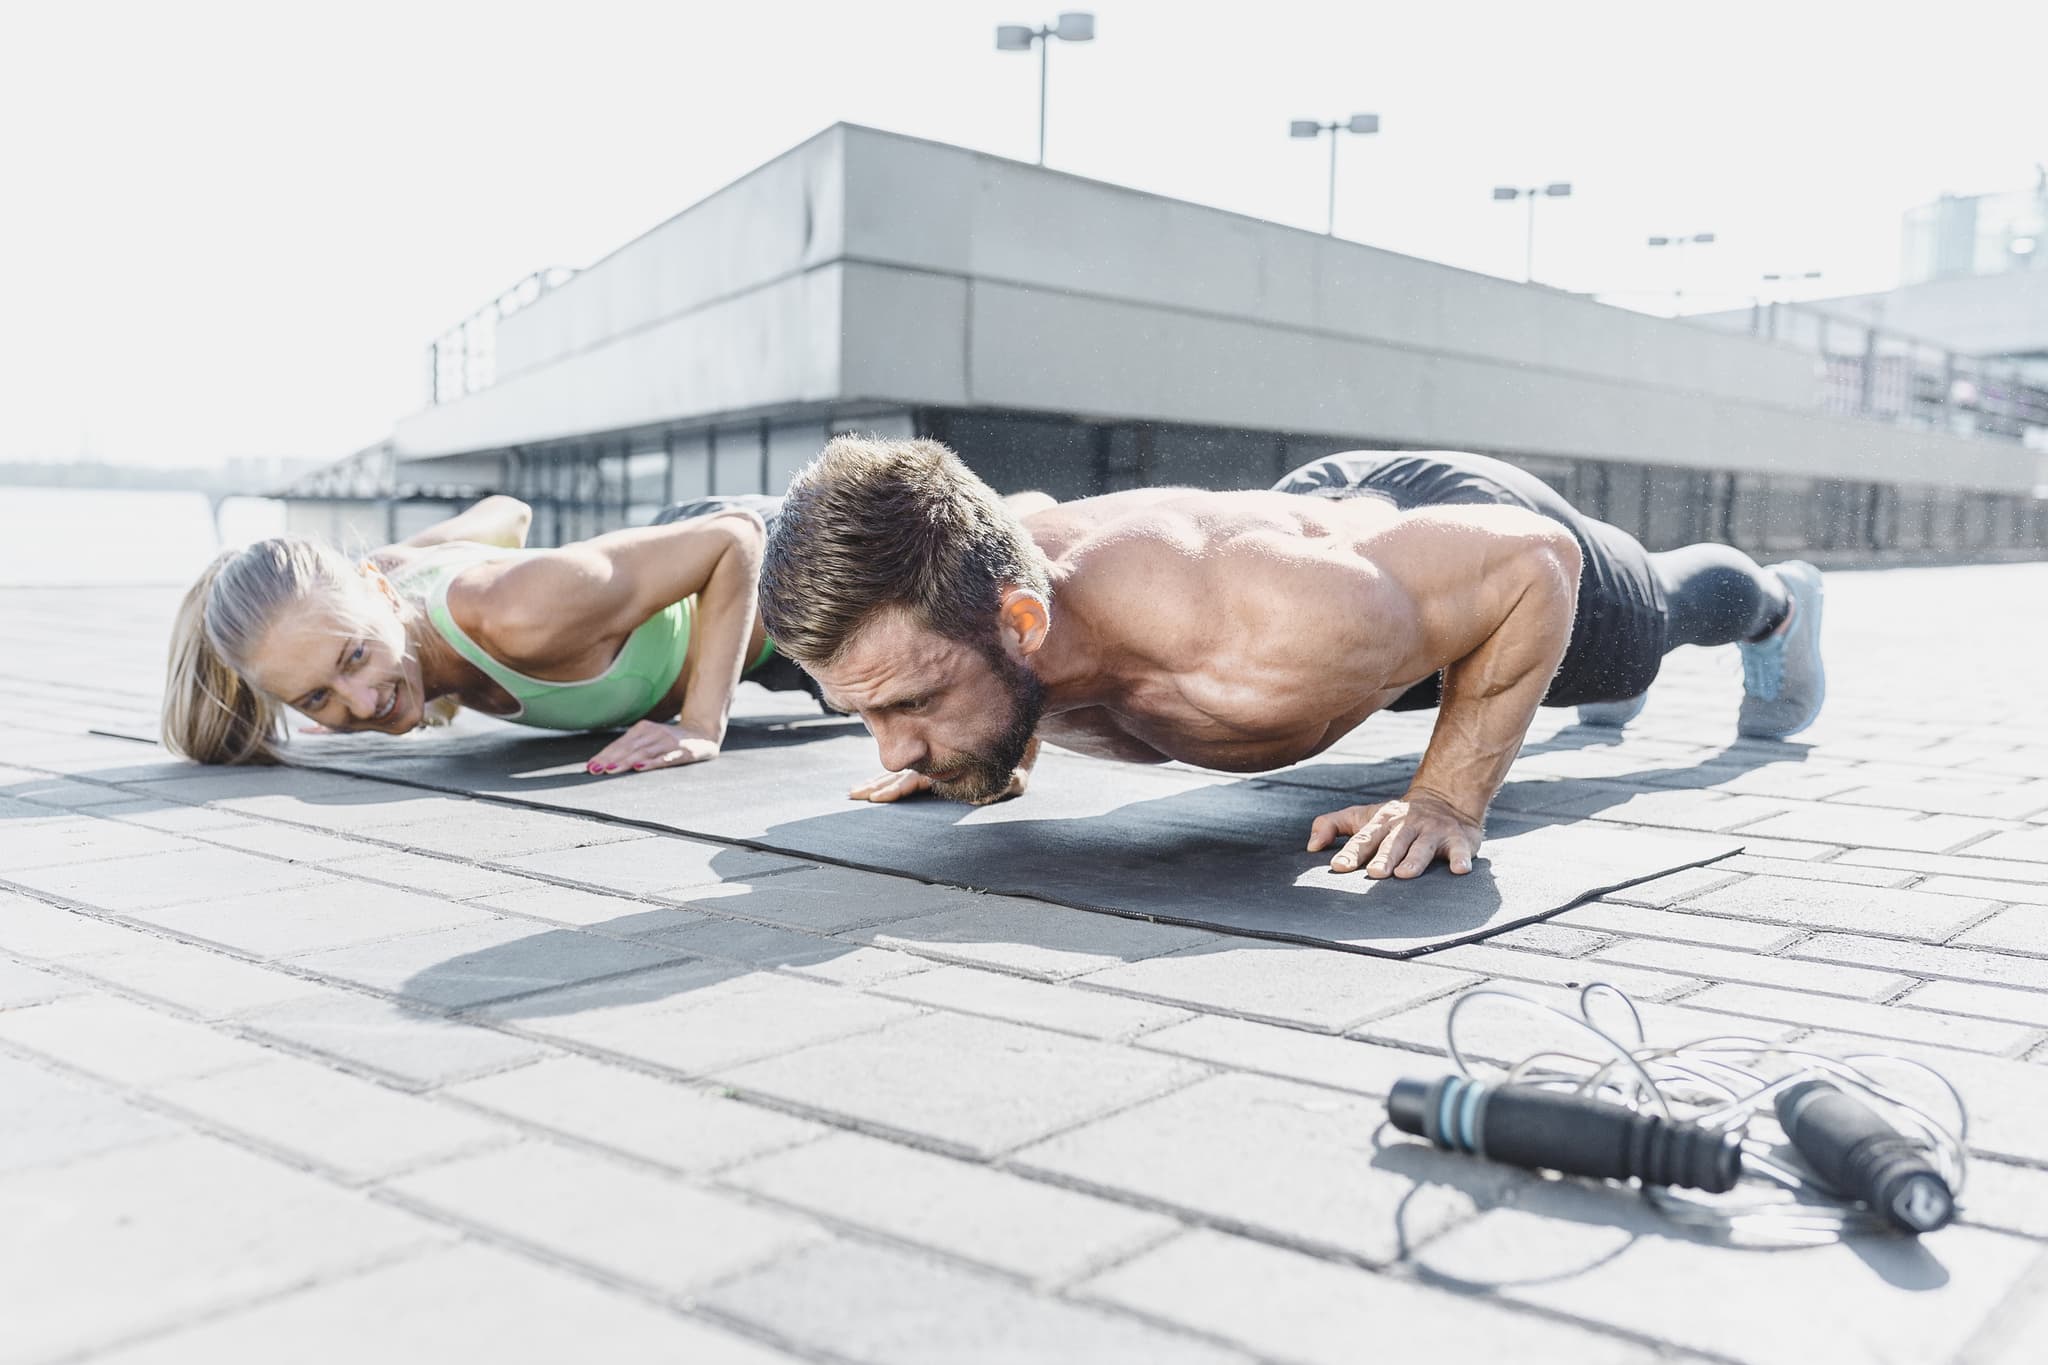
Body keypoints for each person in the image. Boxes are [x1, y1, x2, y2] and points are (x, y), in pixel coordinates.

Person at [757, 438, 1825, 880]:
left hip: (1460, 534)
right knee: (1421, 651)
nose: (891, 742)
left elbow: (1531, 567)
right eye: (866, 714)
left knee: (1647, 630)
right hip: (1317, 529)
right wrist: (977, 734)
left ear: (1020, 626)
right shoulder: (998, 599)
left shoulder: (1276, 624)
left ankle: (1779, 605)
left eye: (908, 701)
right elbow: (1013, 515)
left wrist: (1448, 797)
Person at [162, 493, 818, 775]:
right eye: (317, 699)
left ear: (385, 595)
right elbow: (509, 512)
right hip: (733, 617)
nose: (360, 703)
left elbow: (737, 538)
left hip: (801, 565)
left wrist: (701, 726)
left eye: (355, 656)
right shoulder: (387, 588)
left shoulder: (515, 611)